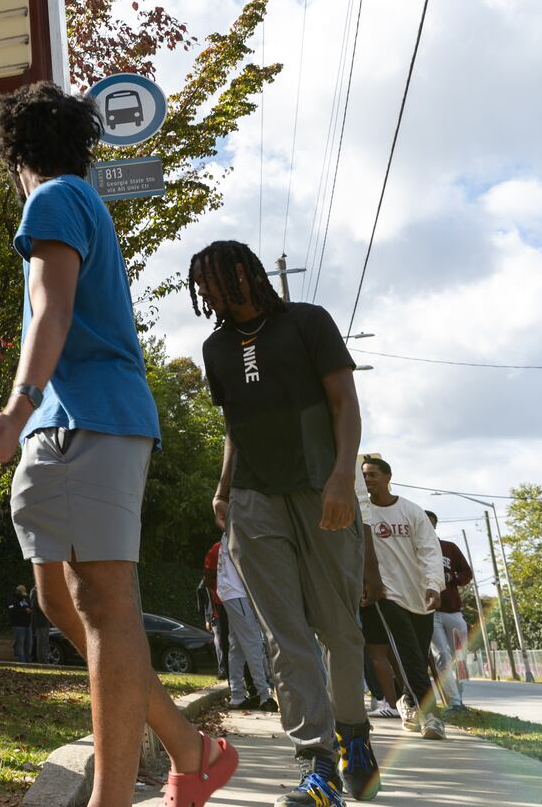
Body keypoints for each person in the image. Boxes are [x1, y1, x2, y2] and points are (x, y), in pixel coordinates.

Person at [0, 83, 236, 807]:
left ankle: (109, 800)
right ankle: (188, 744)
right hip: (65, 422)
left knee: (105, 605)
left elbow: (50, 307)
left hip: (91, 419)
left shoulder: (52, 198)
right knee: (59, 599)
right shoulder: (79, 200)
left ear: (11, 153)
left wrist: (14, 407)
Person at [190, 239, 380, 806]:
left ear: (243, 275)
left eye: (212, 280)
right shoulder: (215, 347)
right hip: (253, 500)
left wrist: (343, 477)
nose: (205, 292)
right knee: (283, 635)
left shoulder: (307, 322)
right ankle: (316, 763)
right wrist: (224, 489)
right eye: (200, 286)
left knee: (337, 628)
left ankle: (355, 736)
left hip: (321, 490)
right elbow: (234, 426)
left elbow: (345, 403)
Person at [359, 458, 445, 739]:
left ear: (388, 476)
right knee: (407, 652)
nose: (368, 479)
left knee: (417, 656)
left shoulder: (411, 511)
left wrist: (434, 585)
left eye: (373, 474)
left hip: (419, 595)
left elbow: (430, 551)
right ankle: (430, 715)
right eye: (364, 476)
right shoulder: (363, 513)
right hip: (386, 594)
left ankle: (407, 700)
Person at [214, 533, 276, 712]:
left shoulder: (231, 529)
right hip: (237, 592)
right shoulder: (238, 527)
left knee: (238, 647)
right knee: (253, 643)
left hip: (230, 591)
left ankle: (237, 696)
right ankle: (265, 695)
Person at [426, 511, 472, 711]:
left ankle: (460, 696)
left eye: (430, 523)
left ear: (435, 525)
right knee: (441, 656)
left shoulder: (449, 548)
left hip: (453, 611)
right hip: (430, 612)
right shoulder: (414, 549)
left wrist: (451, 577)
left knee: (459, 657)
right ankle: (454, 702)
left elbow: (466, 573)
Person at [201, 539, 230, 680]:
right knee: (221, 642)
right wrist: (208, 617)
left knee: (229, 642)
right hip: (217, 611)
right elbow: (206, 593)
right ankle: (223, 670)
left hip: (224, 606)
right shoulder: (216, 549)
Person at [8, 585, 33, 663]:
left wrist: (30, 609)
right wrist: (24, 611)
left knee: (29, 643)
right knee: (20, 643)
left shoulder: (25, 598)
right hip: (18, 625)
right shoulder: (12, 599)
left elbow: (29, 605)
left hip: (27, 624)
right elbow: (12, 610)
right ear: (17, 591)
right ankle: (22, 661)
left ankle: (28, 659)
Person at [28, 584, 52, 664]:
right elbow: (35, 604)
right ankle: (42, 661)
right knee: (41, 642)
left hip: (44, 620)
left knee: (45, 641)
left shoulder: (40, 591)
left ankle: (44, 659)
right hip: (40, 621)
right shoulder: (35, 591)